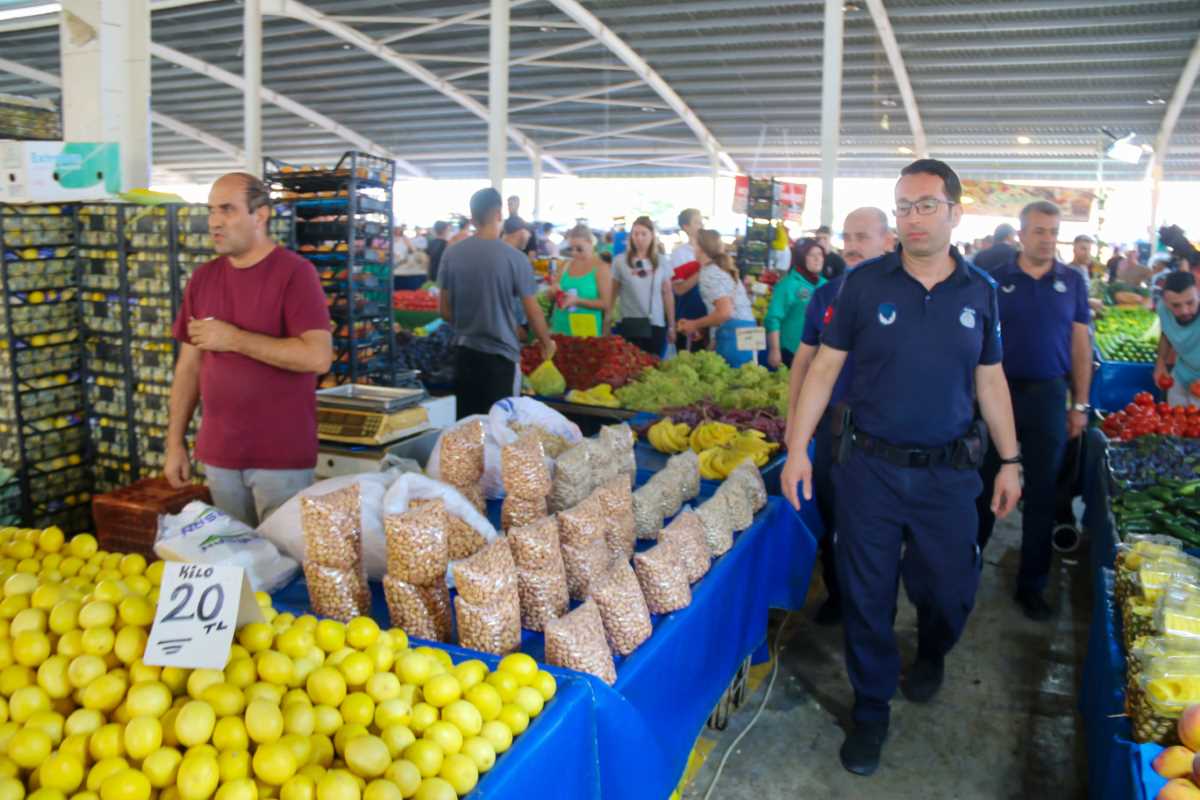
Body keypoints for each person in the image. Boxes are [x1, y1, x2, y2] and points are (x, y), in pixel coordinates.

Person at [780, 159, 1021, 775]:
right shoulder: (862, 286)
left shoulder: (980, 292)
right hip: (870, 471)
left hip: (949, 475)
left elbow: (990, 382)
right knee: (867, 595)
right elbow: (823, 369)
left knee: (948, 590)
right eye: (904, 206)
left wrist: (1011, 461)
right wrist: (798, 448)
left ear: (955, 213)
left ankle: (935, 648)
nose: (914, 217)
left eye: (926, 205)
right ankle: (870, 709)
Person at [165, 173, 333, 527]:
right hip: (219, 454)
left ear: (261, 215)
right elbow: (188, 368)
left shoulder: (295, 274)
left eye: (227, 210)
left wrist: (234, 339)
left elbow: (318, 357)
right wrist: (174, 442)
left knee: (282, 568)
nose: (214, 222)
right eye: (211, 211)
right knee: (235, 565)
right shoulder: (203, 278)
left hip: (281, 458)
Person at [975, 201, 1092, 621]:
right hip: (997, 394)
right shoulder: (995, 280)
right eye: (1039, 230)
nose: (1047, 238)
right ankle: (966, 570)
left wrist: (1079, 403)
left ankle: (1032, 584)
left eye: (1052, 231)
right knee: (984, 483)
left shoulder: (1073, 282)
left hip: (1047, 396)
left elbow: (1081, 345)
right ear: (1021, 234)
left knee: (1043, 491)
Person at [785, 207, 890, 627]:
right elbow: (804, 362)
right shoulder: (828, 295)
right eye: (848, 237)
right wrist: (796, 426)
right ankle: (838, 594)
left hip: (885, 433)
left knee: (875, 527)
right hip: (834, 428)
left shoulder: (906, 293)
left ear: (888, 240)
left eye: (863, 237)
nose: (853, 246)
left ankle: (873, 604)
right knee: (831, 515)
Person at [438, 188, 554, 419]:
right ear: (499, 214)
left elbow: (444, 311)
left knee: (467, 433)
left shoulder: (452, 254)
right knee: (501, 432)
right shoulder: (516, 259)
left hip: (464, 356)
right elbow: (533, 310)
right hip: (501, 361)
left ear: (472, 218)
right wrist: (546, 342)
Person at [677, 230, 757, 367]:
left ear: (701, 248)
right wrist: (704, 328)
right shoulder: (721, 268)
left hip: (734, 334)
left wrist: (694, 324)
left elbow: (725, 312)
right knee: (749, 379)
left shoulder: (709, 273)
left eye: (694, 244)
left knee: (731, 383)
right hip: (749, 331)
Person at [611, 215, 674, 356]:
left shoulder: (662, 261)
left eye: (644, 234)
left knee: (653, 365)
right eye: (636, 234)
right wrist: (608, 318)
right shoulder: (620, 261)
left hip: (655, 323)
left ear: (652, 236)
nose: (639, 238)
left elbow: (667, 293)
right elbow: (613, 292)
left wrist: (672, 325)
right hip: (628, 322)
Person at [765, 238, 825, 369]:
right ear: (801, 258)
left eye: (820, 254)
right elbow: (773, 319)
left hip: (818, 353)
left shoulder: (825, 284)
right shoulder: (788, 284)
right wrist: (775, 350)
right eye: (811, 255)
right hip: (791, 351)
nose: (817, 259)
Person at [550, 224, 612, 338]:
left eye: (579, 249)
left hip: (585, 331)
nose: (574, 253)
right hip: (560, 327)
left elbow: (606, 304)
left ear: (590, 243)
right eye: (570, 249)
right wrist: (554, 291)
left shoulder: (601, 268)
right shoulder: (565, 265)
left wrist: (578, 301)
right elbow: (552, 293)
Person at [1155, 271, 1200, 407]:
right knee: (1175, 421)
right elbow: (1166, 333)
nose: (1185, 310)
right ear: (1165, 302)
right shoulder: (1162, 309)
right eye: (1176, 305)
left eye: (1190, 302)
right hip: (1180, 375)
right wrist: (1160, 363)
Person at [669, 208, 709, 351]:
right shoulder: (679, 254)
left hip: (709, 316)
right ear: (685, 227)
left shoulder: (710, 250)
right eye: (697, 222)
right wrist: (701, 271)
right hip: (688, 317)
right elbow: (678, 289)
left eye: (702, 222)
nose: (702, 226)